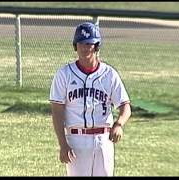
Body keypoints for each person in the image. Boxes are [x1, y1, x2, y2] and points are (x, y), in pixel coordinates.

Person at [49, 22, 131, 176]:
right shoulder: (64, 74)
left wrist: (119, 124)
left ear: (96, 46)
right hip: (76, 139)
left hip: (103, 139)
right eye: (81, 43)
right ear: (75, 46)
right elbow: (57, 111)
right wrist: (63, 144)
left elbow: (125, 105)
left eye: (89, 44)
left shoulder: (109, 74)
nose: (85, 48)